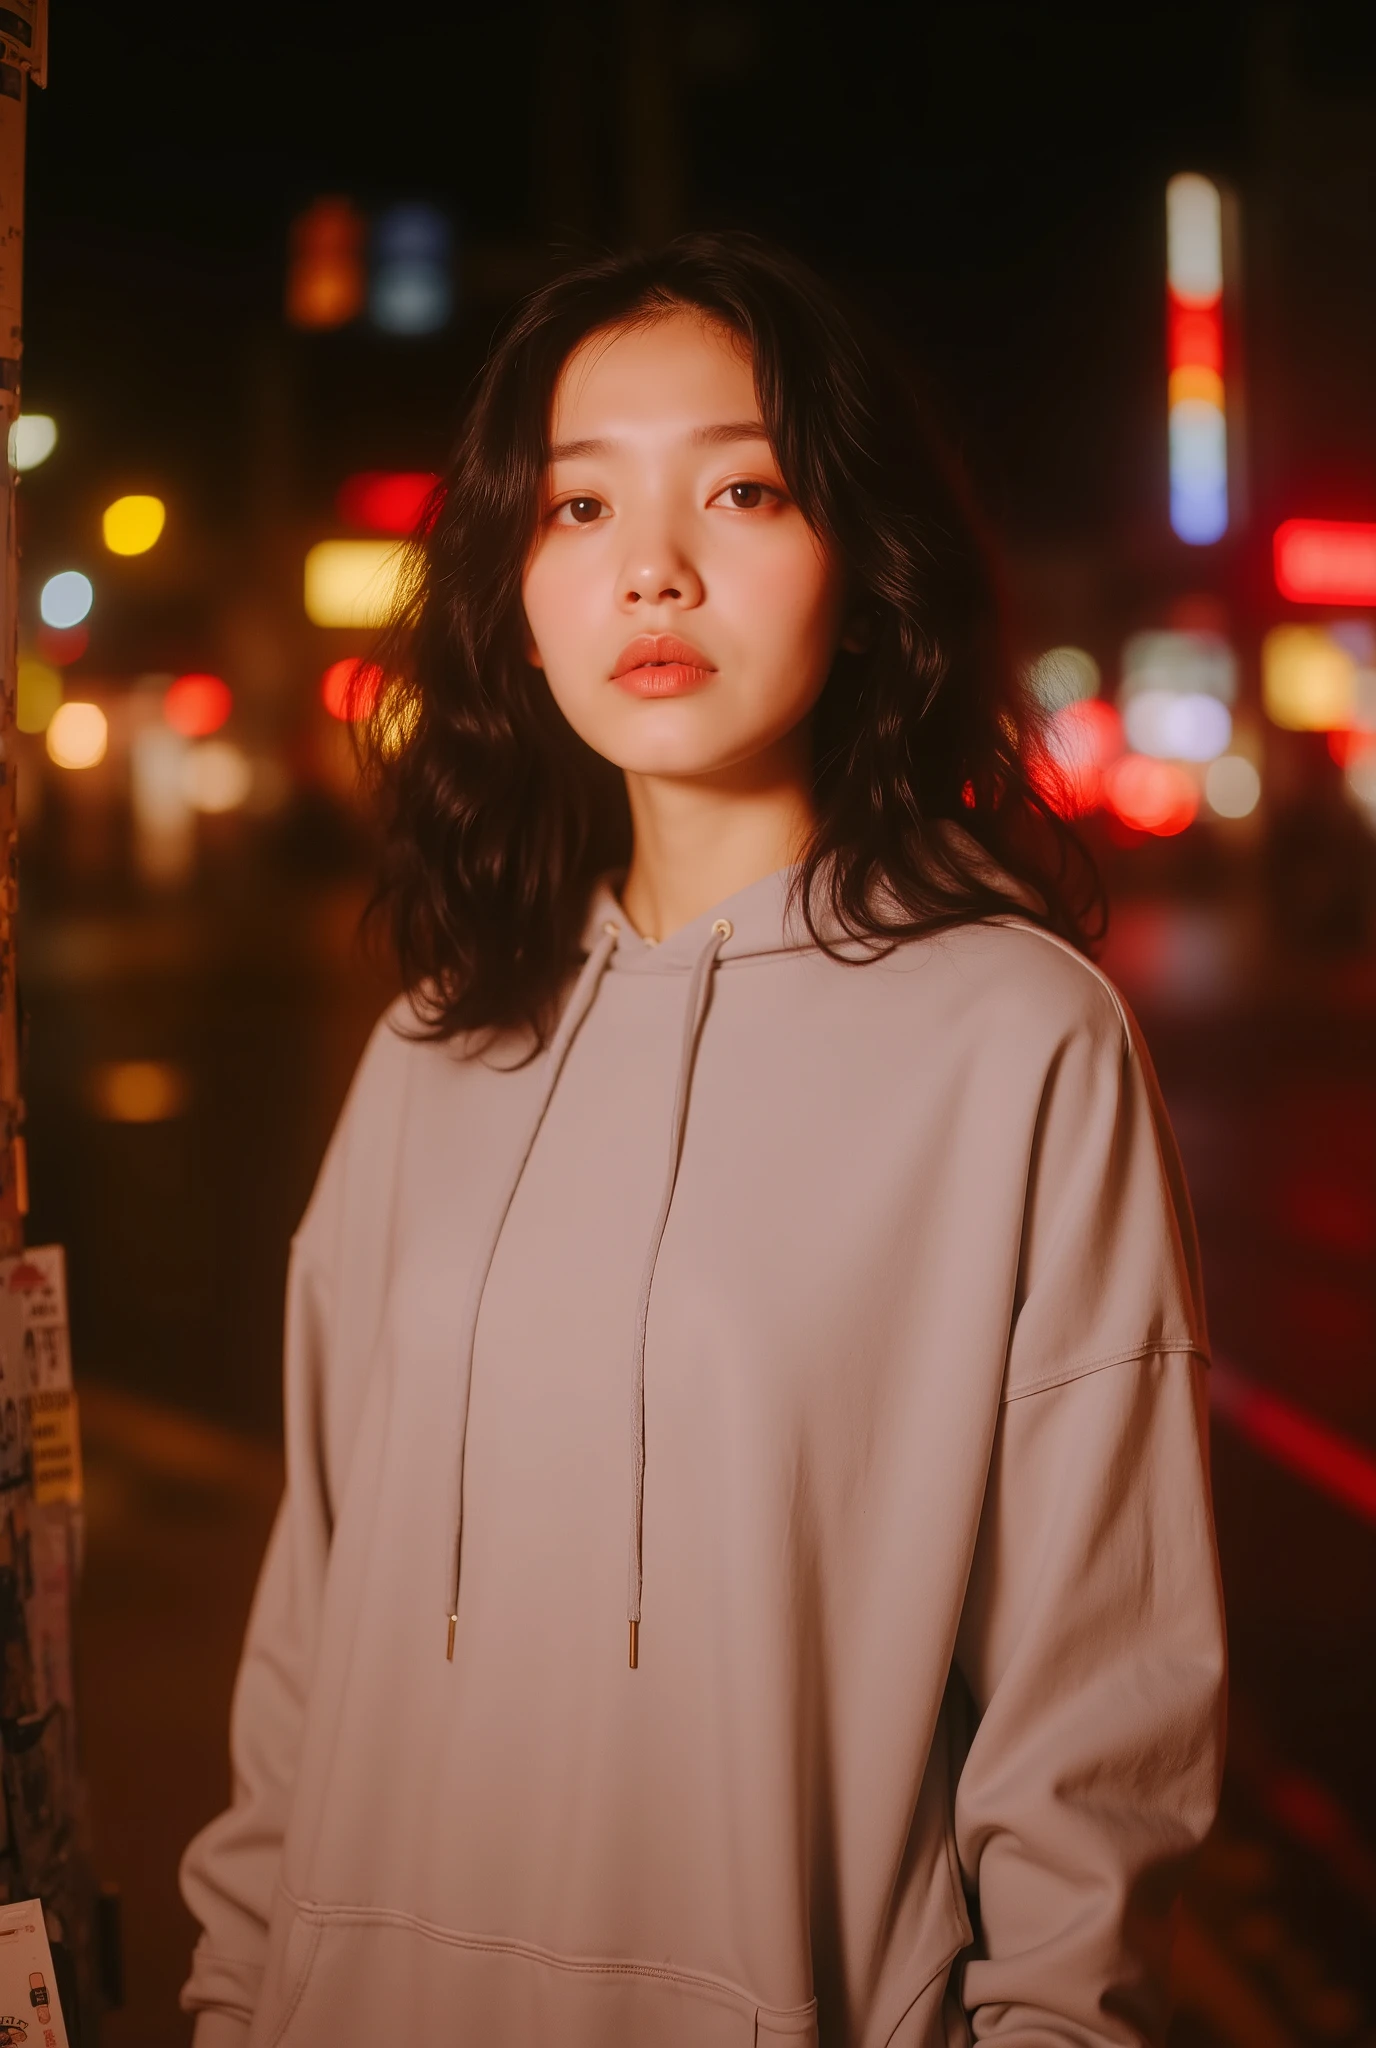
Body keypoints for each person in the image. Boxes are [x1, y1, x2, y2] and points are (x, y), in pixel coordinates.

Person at [179, 232, 1226, 2046]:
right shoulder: (435, 1048)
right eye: (578, 509)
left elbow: (1100, 1716)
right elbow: (308, 1638)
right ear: (514, 583)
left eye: (742, 487)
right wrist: (229, 1999)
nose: (651, 568)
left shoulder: (1015, 1041)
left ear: (863, 560)